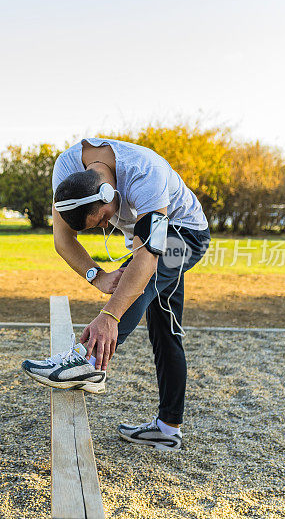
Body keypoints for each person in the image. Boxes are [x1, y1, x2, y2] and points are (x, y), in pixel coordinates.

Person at [21, 137, 210, 450]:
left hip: (185, 235)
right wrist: (97, 277)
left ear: (108, 193)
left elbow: (149, 255)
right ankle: (168, 428)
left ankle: (88, 363)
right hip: (151, 239)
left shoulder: (144, 172)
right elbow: (62, 241)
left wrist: (110, 316)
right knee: (165, 329)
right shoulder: (66, 172)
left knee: (139, 288)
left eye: (104, 218)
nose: (104, 226)